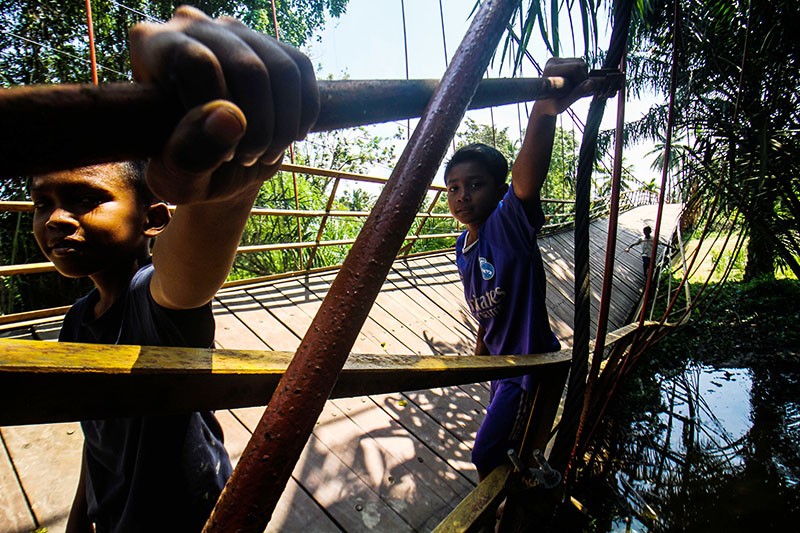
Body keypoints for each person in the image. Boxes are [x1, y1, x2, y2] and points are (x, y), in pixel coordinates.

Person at [29, 6, 319, 532]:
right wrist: (80, 515)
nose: (55, 219)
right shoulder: (77, 322)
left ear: (155, 218)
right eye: (42, 202)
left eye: (86, 199)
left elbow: (185, 280)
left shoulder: (154, 305)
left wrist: (230, 183)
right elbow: (100, 440)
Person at [444, 58, 613, 480]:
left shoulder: (507, 225)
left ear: (499, 192)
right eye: (454, 187)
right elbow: (482, 306)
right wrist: (481, 351)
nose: (463, 196)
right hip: (501, 368)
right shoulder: (463, 246)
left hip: (527, 368)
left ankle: (508, 506)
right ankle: (524, 486)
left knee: (487, 454)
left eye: (476, 185)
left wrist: (542, 110)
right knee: (509, 447)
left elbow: (525, 182)